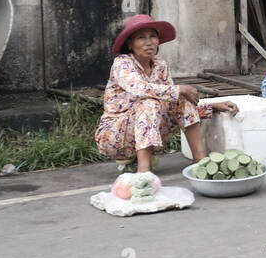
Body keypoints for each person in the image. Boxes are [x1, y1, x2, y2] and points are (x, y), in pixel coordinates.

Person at [94, 13, 238, 173]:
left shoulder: (161, 66)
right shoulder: (122, 63)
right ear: (130, 44)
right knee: (150, 101)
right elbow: (140, 88)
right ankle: (144, 172)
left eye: (152, 36)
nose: (149, 42)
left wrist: (214, 106)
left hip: (147, 134)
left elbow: (173, 106)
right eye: (141, 38)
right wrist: (179, 89)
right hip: (115, 137)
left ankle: (201, 163)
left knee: (180, 100)